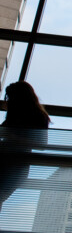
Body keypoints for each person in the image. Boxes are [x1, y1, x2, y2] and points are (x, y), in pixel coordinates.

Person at [0, 81, 50, 212]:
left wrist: (12, 138)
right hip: (17, 166)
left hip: (12, 164)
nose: (9, 100)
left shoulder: (17, 115)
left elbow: (41, 145)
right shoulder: (39, 116)